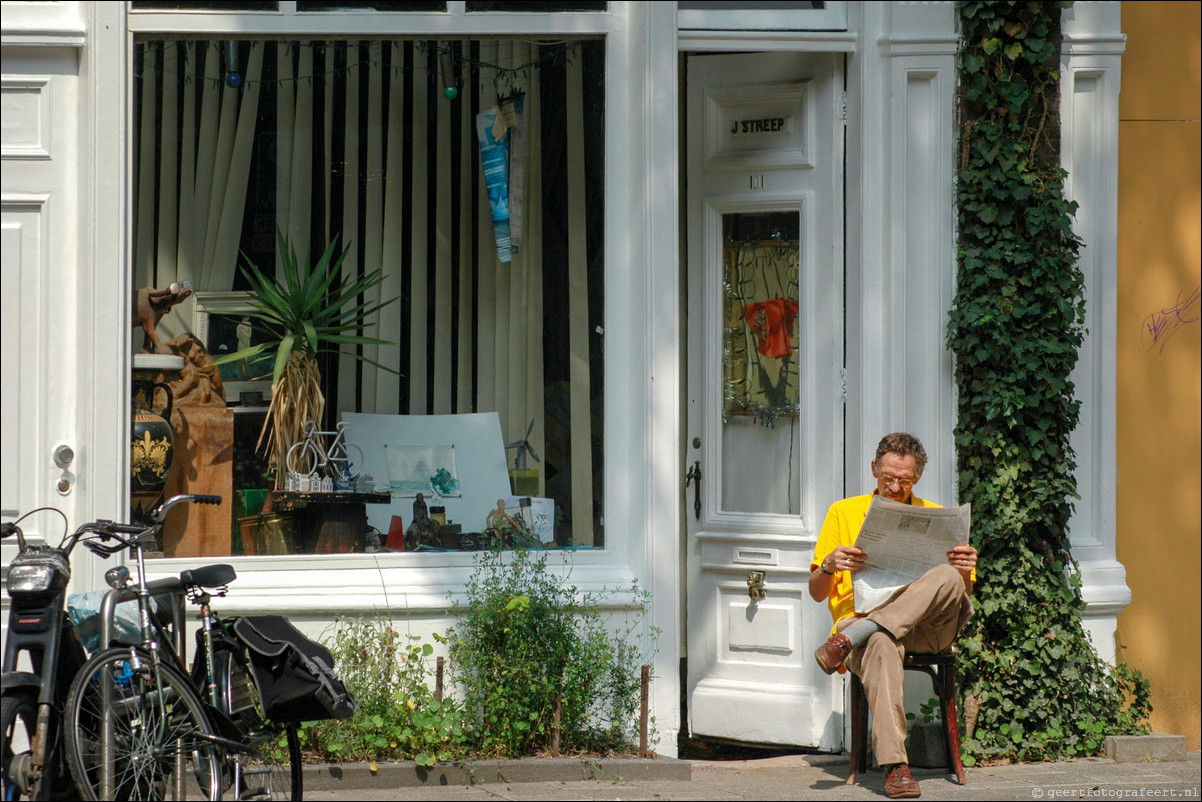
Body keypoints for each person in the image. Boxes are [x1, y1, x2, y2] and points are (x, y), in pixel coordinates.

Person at [809, 432, 977, 800]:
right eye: (888, 477)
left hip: (927, 627)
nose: (896, 486)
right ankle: (896, 768)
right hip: (860, 618)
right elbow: (816, 592)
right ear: (874, 468)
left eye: (905, 479)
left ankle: (853, 638)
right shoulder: (843, 511)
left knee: (948, 575)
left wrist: (964, 569)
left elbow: (962, 592)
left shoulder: (936, 516)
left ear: (917, 476)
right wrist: (828, 565)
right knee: (882, 641)